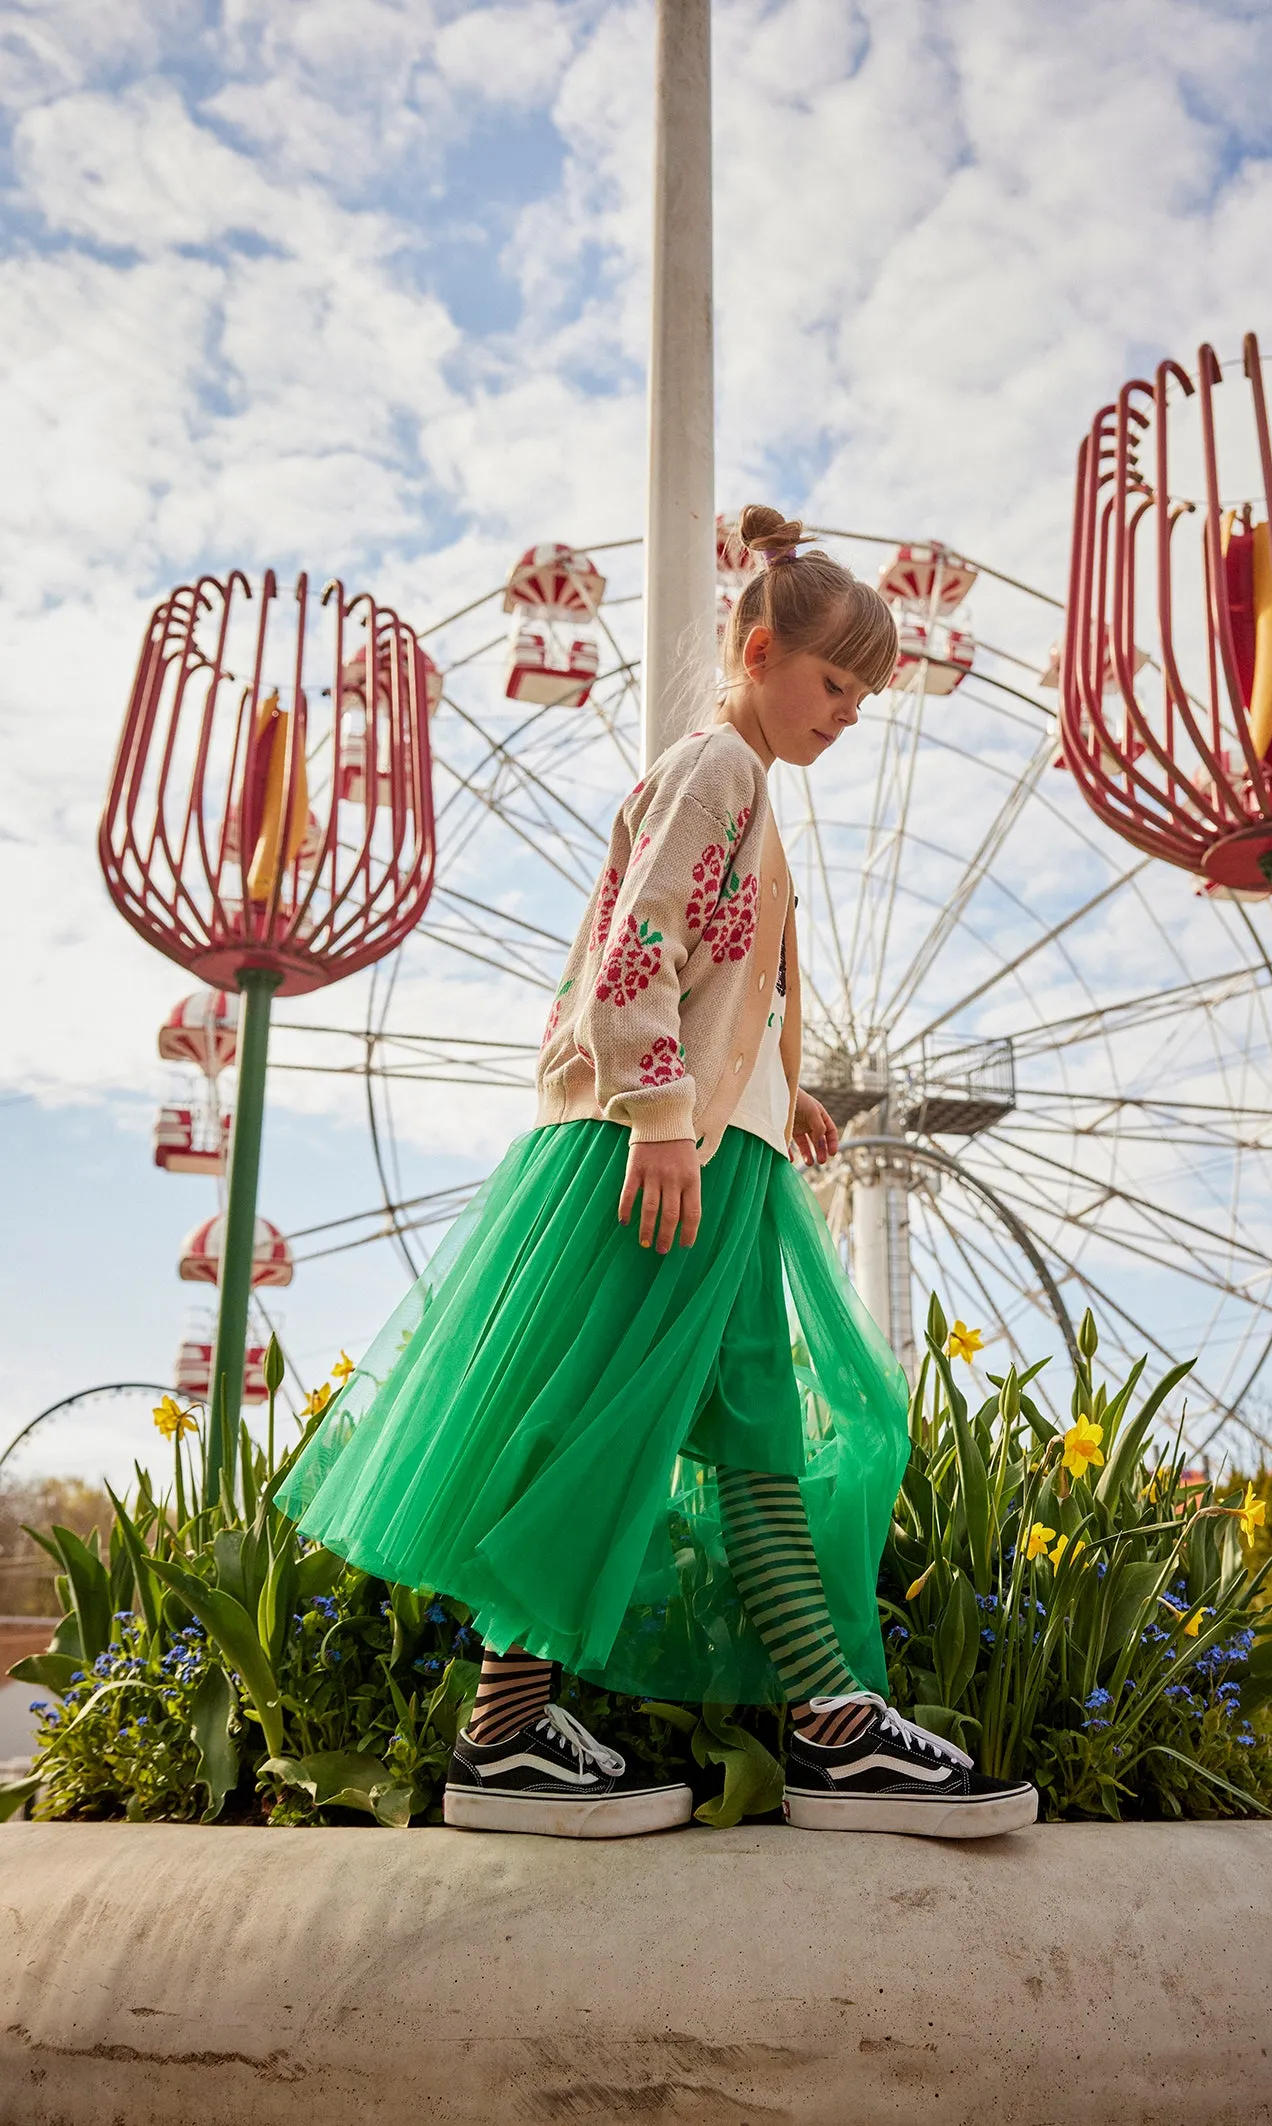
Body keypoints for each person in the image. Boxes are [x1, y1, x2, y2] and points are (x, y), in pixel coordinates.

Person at [277, 505, 1038, 1842]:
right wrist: (661, 1117)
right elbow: (641, 946)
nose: (848, 711)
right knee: (605, 1421)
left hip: (712, 1145)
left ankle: (802, 1722)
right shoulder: (715, 771)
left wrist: (772, 1090)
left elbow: (723, 976)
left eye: (863, 692)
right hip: (659, 1152)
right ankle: (588, 1730)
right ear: (755, 653)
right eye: (831, 682)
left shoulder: (743, 787)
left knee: (727, 1422)